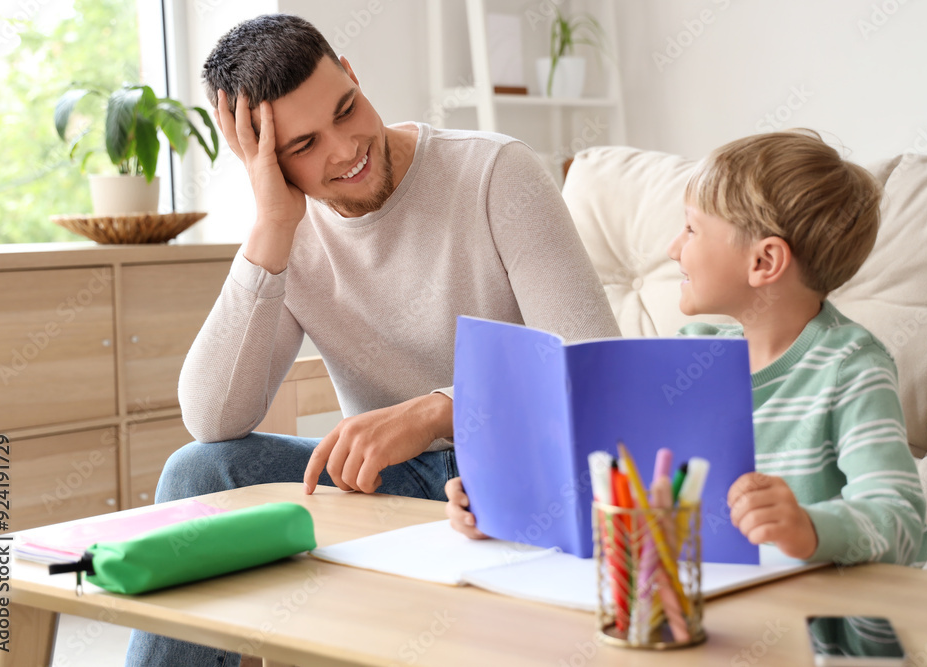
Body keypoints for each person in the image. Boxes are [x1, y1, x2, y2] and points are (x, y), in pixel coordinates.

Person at [124, 12, 619, 667]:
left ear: (353, 76)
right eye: (303, 145)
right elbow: (213, 418)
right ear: (265, 160)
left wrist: (439, 408)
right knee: (198, 471)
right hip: (384, 489)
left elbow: (595, 370)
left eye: (347, 108)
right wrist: (272, 224)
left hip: (512, 469)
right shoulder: (288, 231)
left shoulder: (496, 172)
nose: (345, 148)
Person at [448, 130, 927, 568]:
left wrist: (808, 529)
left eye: (692, 229)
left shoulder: (851, 368)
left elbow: (903, 525)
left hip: (811, 630)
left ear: (765, 261)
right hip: (691, 606)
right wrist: (500, 501)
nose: (672, 248)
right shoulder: (689, 354)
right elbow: (612, 483)